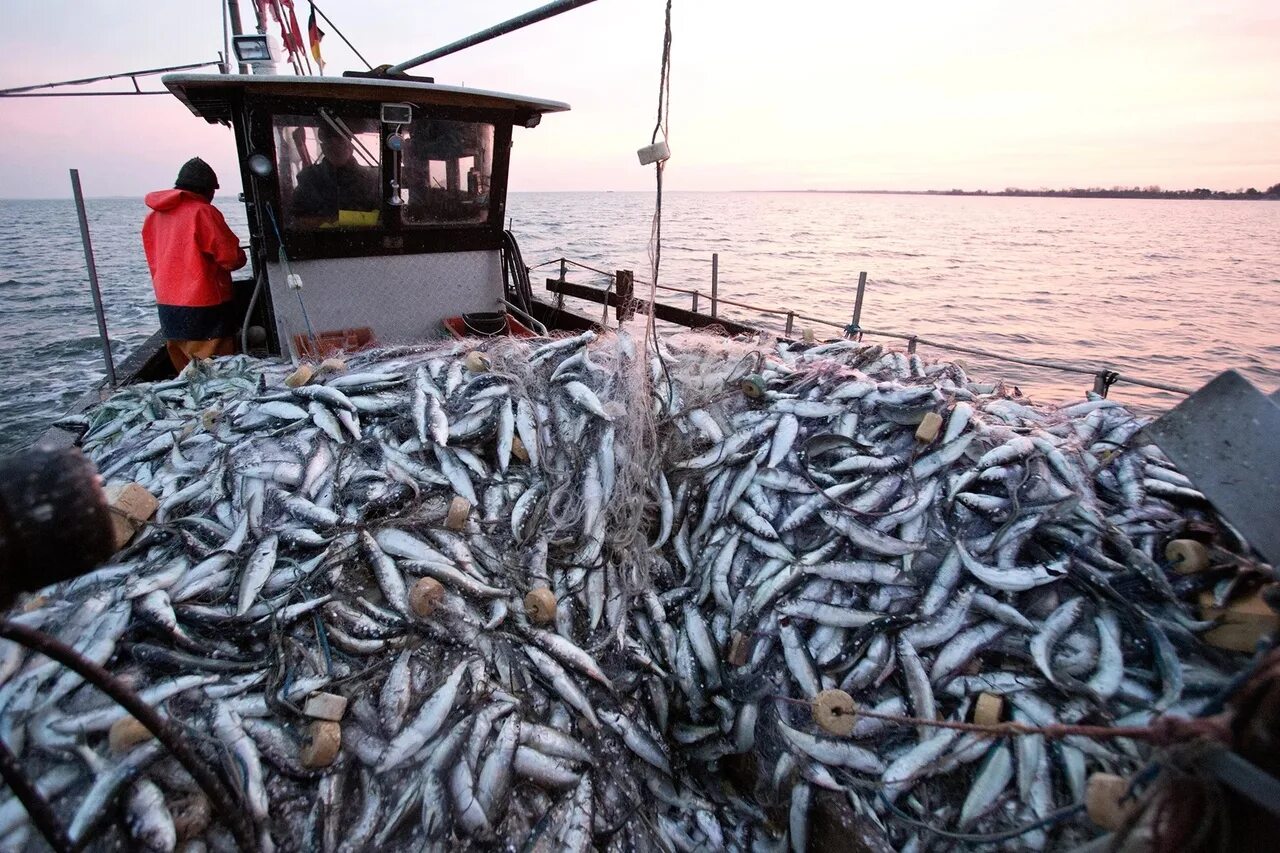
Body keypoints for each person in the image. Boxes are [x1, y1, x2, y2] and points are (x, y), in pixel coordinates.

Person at [142, 158, 247, 371]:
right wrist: (240, 256)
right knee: (220, 377)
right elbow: (231, 259)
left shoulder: (154, 217)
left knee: (188, 378)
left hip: (169, 311)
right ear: (207, 190)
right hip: (206, 310)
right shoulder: (203, 212)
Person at [289, 122, 380, 226]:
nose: (336, 148)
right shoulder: (308, 179)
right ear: (323, 148)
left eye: (341, 142)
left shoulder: (371, 180)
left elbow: (383, 219)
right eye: (330, 143)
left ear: (351, 147)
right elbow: (296, 219)